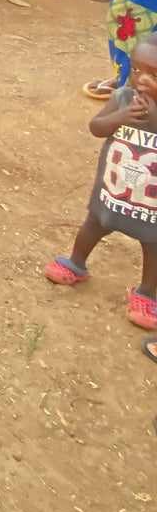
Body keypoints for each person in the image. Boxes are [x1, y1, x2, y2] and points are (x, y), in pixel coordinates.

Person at [44, 33, 157, 331]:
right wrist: (122, 114)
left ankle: (147, 293)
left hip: (151, 203)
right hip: (113, 191)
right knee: (93, 225)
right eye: (136, 69)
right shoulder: (122, 98)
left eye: (154, 74)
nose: (142, 79)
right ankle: (76, 263)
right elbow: (96, 127)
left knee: (153, 243)